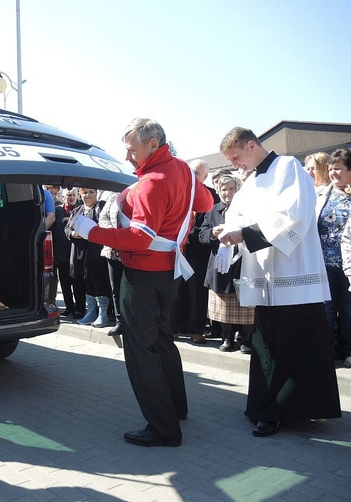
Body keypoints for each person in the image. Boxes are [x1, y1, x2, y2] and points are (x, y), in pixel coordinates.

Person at [71, 118, 214, 447]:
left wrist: (89, 230)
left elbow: (139, 238)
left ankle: (163, 427)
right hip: (168, 273)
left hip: (143, 274)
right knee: (163, 340)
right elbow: (205, 203)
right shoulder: (181, 170)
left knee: (140, 349)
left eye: (132, 149)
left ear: (152, 144)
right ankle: (176, 408)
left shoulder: (151, 181)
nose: (127, 157)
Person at [216, 126, 341, 438]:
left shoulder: (289, 167)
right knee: (268, 345)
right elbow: (237, 215)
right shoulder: (251, 182)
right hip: (264, 279)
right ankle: (267, 406)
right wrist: (227, 235)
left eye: (236, 157)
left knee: (295, 345)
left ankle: (285, 410)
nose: (235, 165)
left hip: (292, 275)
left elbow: (295, 215)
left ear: (251, 145)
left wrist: (244, 234)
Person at [198, 175, 254, 353]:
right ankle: (227, 337)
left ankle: (247, 338)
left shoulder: (248, 208)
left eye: (231, 189)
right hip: (220, 264)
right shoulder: (213, 210)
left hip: (244, 262)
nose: (227, 193)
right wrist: (213, 233)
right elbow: (202, 235)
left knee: (245, 302)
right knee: (224, 302)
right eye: (224, 189)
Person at [170, 159, 220, 344]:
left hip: (198, 251)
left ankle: (197, 330)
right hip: (177, 249)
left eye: (197, 173)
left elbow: (210, 222)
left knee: (196, 292)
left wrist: (190, 234)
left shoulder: (212, 196)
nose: (192, 175)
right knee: (175, 290)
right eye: (190, 171)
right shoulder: (177, 191)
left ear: (205, 177)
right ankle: (173, 327)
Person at [320, 148, 351, 366]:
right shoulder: (322, 194)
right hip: (323, 263)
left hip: (348, 265)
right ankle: (326, 350)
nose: (333, 173)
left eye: (338, 169)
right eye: (331, 169)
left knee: (349, 310)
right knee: (326, 309)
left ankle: (348, 350)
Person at [65, 187, 111, 328]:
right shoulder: (77, 210)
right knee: (85, 281)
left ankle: (103, 313)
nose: (88, 195)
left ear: (97, 193)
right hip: (79, 253)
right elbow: (67, 227)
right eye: (85, 193)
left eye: (91, 192)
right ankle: (91, 311)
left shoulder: (101, 207)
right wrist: (72, 234)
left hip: (96, 253)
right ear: (80, 194)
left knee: (98, 280)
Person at [98, 191, 125, 335]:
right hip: (113, 250)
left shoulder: (139, 192)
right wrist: (114, 234)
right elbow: (102, 217)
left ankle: (135, 322)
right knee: (116, 289)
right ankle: (120, 322)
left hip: (133, 249)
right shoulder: (113, 196)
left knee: (133, 289)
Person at [52, 188, 77, 315]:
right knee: (65, 282)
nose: (71, 197)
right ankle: (69, 307)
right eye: (68, 195)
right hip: (61, 254)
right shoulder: (57, 211)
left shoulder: (81, 210)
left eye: (73, 195)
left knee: (78, 282)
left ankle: (79, 307)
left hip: (77, 253)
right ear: (63, 197)